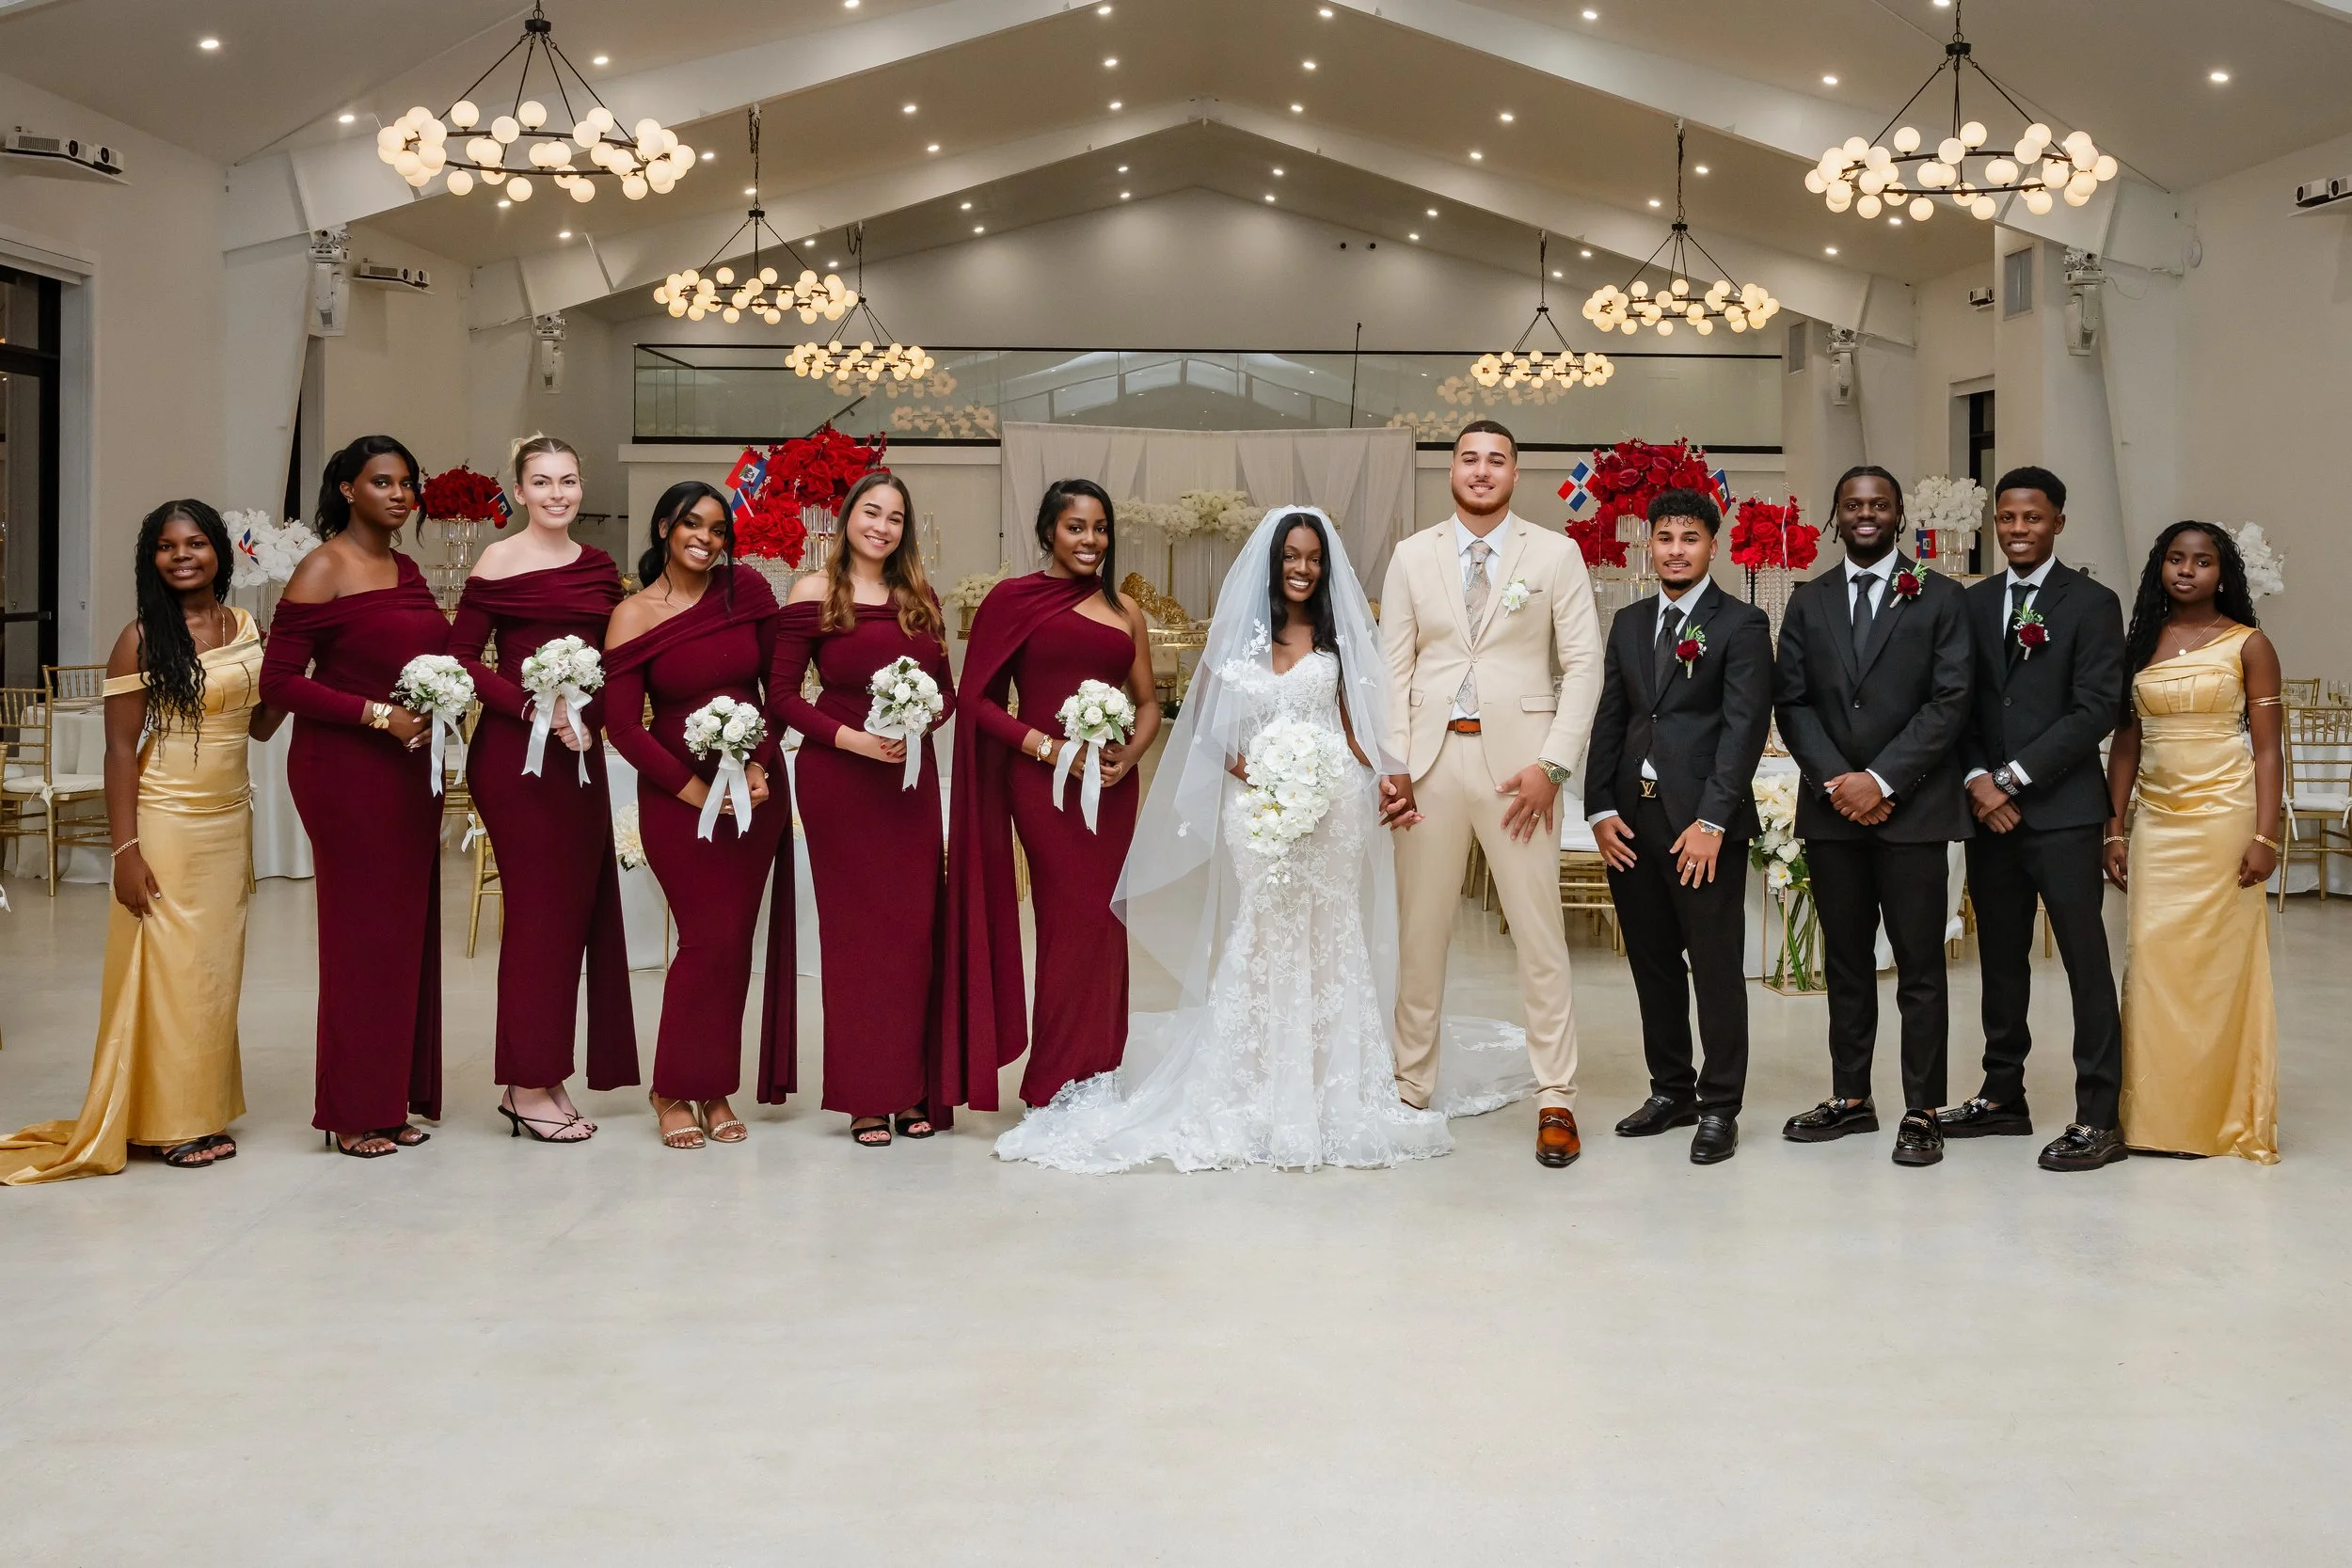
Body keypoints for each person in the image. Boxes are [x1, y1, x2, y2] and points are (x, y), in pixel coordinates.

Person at [995, 507, 1461, 1172]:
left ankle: (1330, 1088)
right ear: (1271, 563)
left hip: (1332, 805)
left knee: (1330, 936)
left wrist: (1388, 779)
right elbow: (1207, 729)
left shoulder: (1336, 640)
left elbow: (1357, 728)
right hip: (1259, 809)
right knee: (1264, 934)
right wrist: (1257, 771)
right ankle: (1258, 1085)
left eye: (1313, 558)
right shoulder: (1238, 639)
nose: (1302, 568)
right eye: (1291, 556)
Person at [3, 502, 283, 1182]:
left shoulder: (248, 629)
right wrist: (125, 851)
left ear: (219, 552)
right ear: (151, 559)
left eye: (194, 542)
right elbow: (119, 750)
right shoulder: (142, 637)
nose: (181, 555)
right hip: (167, 817)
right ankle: (169, 1121)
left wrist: (291, 665)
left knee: (213, 971)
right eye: (165, 545)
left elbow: (262, 726)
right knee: (168, 967)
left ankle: (201, 1104)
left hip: (228, 819)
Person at [1377, 420, 1604, 1168]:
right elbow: (1393, 668)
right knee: (1420, 934)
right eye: (1469, 459)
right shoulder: (1413, 555)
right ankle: (1410, 1088)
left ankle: (1556, 1097)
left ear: (1515, 473)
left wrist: (1554, 765)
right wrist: (1393, 762)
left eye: (1496, 460)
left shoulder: (1556, 554)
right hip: (1429, 765)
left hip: (1521, 773)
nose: (1481, 471)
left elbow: (1584, 665)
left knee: (1540, 937)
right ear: (1452, 470)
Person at [943, 480, 1163, 1117]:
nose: (1091, 540)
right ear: (1048, 532)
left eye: (1100, 528)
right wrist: (1047, 747)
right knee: (1069, 924)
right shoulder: (1011, 600)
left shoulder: (1125, 609)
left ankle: (1099, 1071)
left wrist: (1132, 753)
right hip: (1044, 786)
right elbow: (974, 700)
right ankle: (1053, 1081)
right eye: (1076, 527)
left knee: (1105, 925)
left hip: (1112, 786)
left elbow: (1148, 702)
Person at [1773, 465, 1972, 1167]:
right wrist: (1839, 782)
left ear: (1898, 516)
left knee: (1919, 965)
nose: (1867, 514)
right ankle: (1851, 1097)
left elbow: (1950, 700)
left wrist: (1882, 780)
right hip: (1834, 815)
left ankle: (1923, 1108)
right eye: (1854, 504)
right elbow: (1792, 700)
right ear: (1837, 516)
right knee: (1847, 962)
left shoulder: (1942, 597)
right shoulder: (1809, 600)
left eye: (1879, 504)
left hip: (1913, 812)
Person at [262, 436, 450, 1159]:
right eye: (382, 482)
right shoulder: (323, 568)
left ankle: (387, 1099)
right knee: (358, 937)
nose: (400, 495)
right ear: (347, 489)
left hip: (409, 770)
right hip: (343, 769)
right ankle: (349, 1110)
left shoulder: (407, 568)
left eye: (407, 483)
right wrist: (377, 715)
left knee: (401, 935)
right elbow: (280, 682)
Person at [448, 435, 637, 1143]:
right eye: (543, 481)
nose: (558, 494)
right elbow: (462, 657)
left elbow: (617, 660)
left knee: (571, 919)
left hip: (579, 757)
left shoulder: (600, 567)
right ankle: (527, 1085)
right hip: (514, 759)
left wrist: (591, 719)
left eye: (568, 480)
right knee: (536, 918)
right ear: (521, 491)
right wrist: (531, 708)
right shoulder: (498, 561)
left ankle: (544, 1072)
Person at [1942, 467, 2129, 1171]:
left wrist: (2011, 778)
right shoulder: (1972, 601)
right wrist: (1976, 781)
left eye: (2033, 517)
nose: (2019, 529)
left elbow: (2096, 707)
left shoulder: (2092, 602)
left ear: (2058, 522)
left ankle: (2099, 1114)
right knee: (1999, 957)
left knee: (2084, 958)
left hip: (2063, 812)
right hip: (1989, 816)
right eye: (2008, 517)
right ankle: (2002, 1095)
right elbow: (1955, 701)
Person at [604, 482, 794, 1150]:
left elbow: (778, 693)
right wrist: (693, 791)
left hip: (757, 795)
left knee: (734, 941)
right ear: (664, 527)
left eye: (718, 530)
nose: (706, 539)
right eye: (692, 524)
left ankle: (713, 1088)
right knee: (705, 939)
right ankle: (669, 1088)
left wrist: (758, 765)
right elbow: (624, 727)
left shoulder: (750, 592)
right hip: (678, 802)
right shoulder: (632, 614)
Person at [771, 471, 958, 1148]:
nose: (882, 526)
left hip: (908, 782)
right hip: (840, 779)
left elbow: (948, 692)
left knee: (912, 933)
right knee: (855, 939)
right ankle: (866, 1096)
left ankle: (912, 1087)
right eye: (871, 512)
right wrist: (852, 739)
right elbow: (781, 696)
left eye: (895, 518)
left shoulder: (920, 598)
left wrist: (919, 721)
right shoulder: (812, 592)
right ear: (847, 517)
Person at [1584, 488, 1772, 1164]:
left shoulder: (1742, 624)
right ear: (1650, 545)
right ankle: (1671, 1090)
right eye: (1665, 537)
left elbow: (1744, 730)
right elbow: (1612, 717)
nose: (1675, 549)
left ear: (1711, 546)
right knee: (1652, 962)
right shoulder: (1630, 621)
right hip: (1632, 822)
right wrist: (1601, 808)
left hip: (1701, 828)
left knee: (1715, 967)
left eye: (1689, 538)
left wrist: (1712, 821)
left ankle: (1720, 1106)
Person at [2105, 522, 2281, 1164]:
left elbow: (2268, 751)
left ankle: (2216, 1119)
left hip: (2225, 820)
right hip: (2157, 822)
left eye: (2202, 561)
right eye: (2176, 559)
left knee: (2218, 969)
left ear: (2222, 572)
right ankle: (2154, 1118)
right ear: (2160, 568)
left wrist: (2265, 834)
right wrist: (2114, 827)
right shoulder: (2140, 644)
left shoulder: (2249, 644)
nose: (2187, 570)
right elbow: (2126, 745)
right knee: (2152, 963)